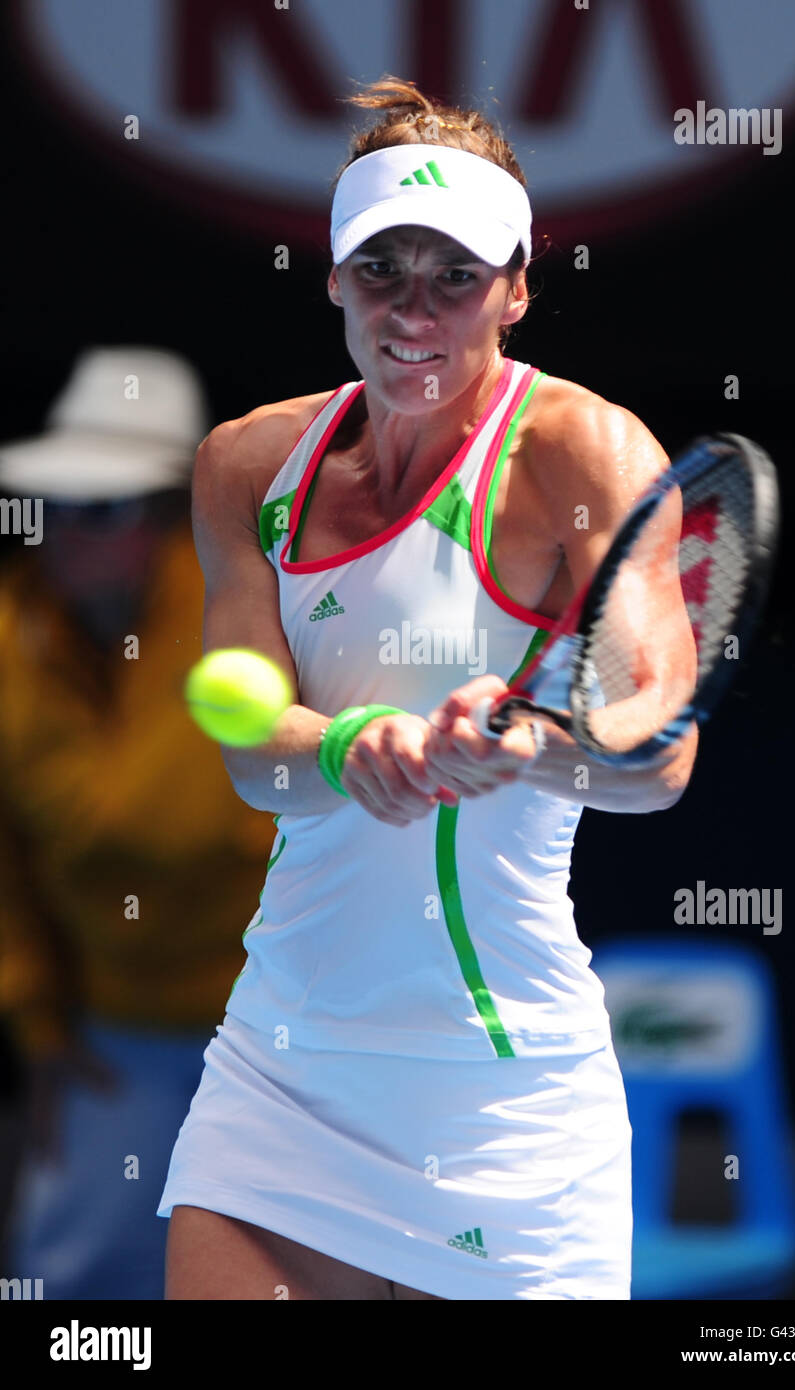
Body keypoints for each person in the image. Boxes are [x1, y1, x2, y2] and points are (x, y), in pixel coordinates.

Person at [158, 76, 699, 1301]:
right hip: (281, 1070)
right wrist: (349, 744)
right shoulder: (247, 464)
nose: (416, 309)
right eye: (383, 267)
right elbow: (254, 760)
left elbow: (655, 750)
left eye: (455, 275)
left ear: (515, 286)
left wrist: (520, 738)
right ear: (335, 277)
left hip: (509, 1109)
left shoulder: (585, 453)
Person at [0, 347, 279, 1299]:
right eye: (61, 508)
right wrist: (37, 1026)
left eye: (107, 508)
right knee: (65, 1287)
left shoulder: (250, 621)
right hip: (108, 1040)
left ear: (168, 521)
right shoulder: (5, 633)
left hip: (272, 1036)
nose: (72, 534)